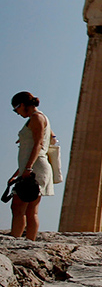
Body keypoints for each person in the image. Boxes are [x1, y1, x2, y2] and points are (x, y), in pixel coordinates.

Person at [10, 92, 53, 240]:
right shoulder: (42, 117)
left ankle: (17, 240)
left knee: (18, 205)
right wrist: (17, 173)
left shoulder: (36, 118)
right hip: (32, 165)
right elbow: (51, 139)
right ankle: (28, 241)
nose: (17, 113)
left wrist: (28, 168)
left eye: (16, 109)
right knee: (30, 208)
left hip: (34, 166)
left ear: (21, 105)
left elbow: (38, 144)